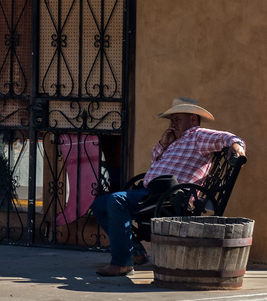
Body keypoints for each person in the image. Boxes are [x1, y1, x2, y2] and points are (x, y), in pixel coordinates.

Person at [90, 97, 246, 277]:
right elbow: (155, 162)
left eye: (177, 119)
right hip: (153, 193)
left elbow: (226, 137)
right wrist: (164, 144)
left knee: (117, 201)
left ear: (193, 119)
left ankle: (122, 262)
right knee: (100, 204)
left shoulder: (198, 135)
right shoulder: (175, 141)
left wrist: (236, 146)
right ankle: (136, 253)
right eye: (172, 120)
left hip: (171, 198)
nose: (173, 124)